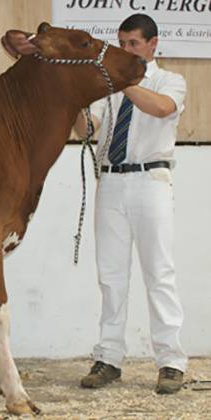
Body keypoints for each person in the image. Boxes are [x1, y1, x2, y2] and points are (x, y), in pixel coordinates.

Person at [73, 13, 187, 394]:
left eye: (133, 44)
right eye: (121, 44)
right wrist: (76, 100)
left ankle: (170, 361)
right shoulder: (109, 88)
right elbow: (89, 128)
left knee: (159, 272)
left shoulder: (170, 80)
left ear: (153, 44)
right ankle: (108, 357)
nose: (126, 50)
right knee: (111, 275)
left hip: (151, 180)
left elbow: (161, 108)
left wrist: (124, 79)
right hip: (112, 181)